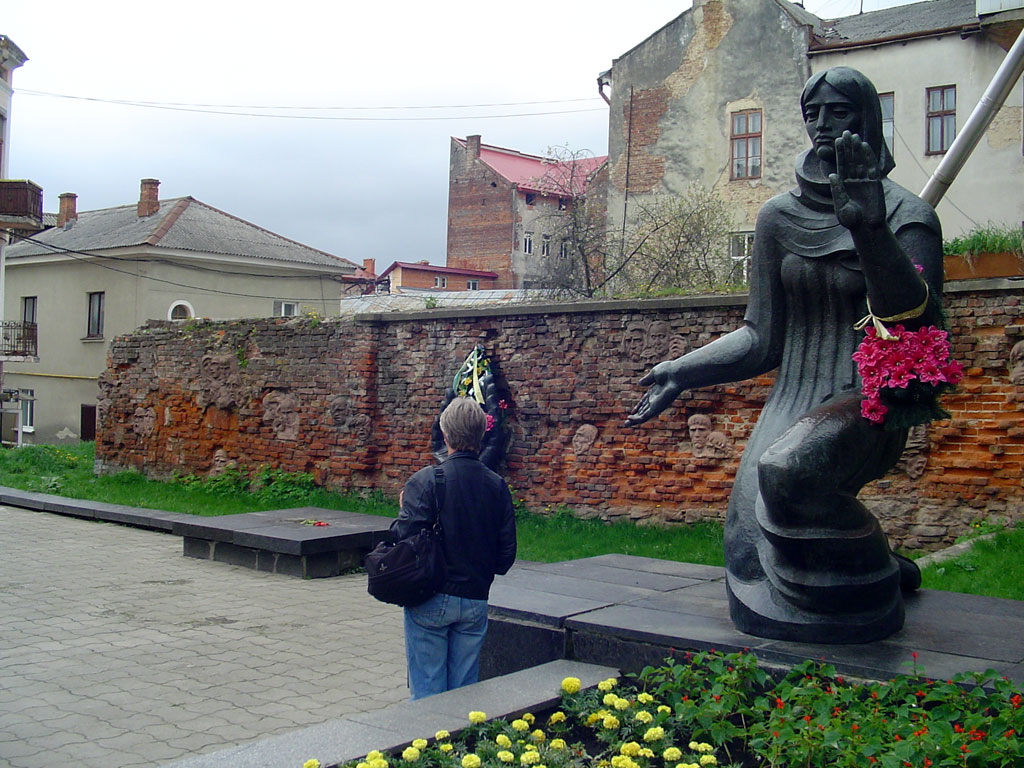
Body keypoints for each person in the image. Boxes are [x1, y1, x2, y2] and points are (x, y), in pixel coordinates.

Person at [627, 67, 942, 643]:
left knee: (787, 471)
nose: (823, 124)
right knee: (748, 558)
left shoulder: (908, 216)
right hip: (793, 398)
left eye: (839, 111)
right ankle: (875, 569)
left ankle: (872, 577)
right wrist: (682, 369)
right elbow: (761, 337)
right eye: (812, 113)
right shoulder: (777, 216)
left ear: (868, 119)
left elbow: (918, 326)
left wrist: (870, 229)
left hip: (871, 397)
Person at [391, 396, 517, 699]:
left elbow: (401, 539)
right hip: (474, 598)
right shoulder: (496, 486)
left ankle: (430, 731)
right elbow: (504, 558)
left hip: (429, 596)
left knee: (427, 694)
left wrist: (403, 510)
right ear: (481, 435)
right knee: (463, 696)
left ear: (445, 435)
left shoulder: (425, 482)